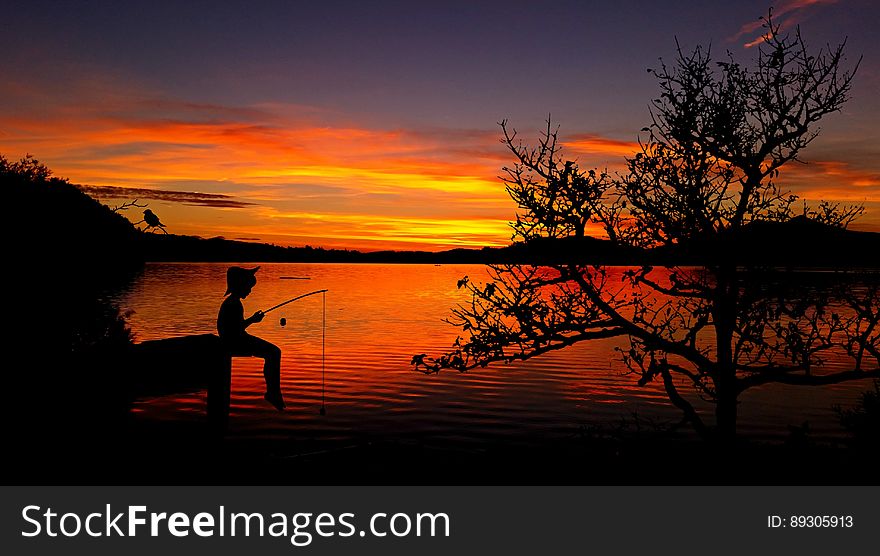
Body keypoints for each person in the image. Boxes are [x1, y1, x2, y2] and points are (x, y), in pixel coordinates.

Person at [217, 266, 285, 410]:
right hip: (235, 342)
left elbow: (236, 326)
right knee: (274, 352)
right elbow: (235, 329)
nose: (250, 290)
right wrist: (252, 320)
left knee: (273, 352)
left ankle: (273, 392)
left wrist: (251, 320)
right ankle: (273, 392)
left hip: (236, 339)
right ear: (240, 285)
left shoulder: (233, 302)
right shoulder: (233, 304)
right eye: (248, 287)